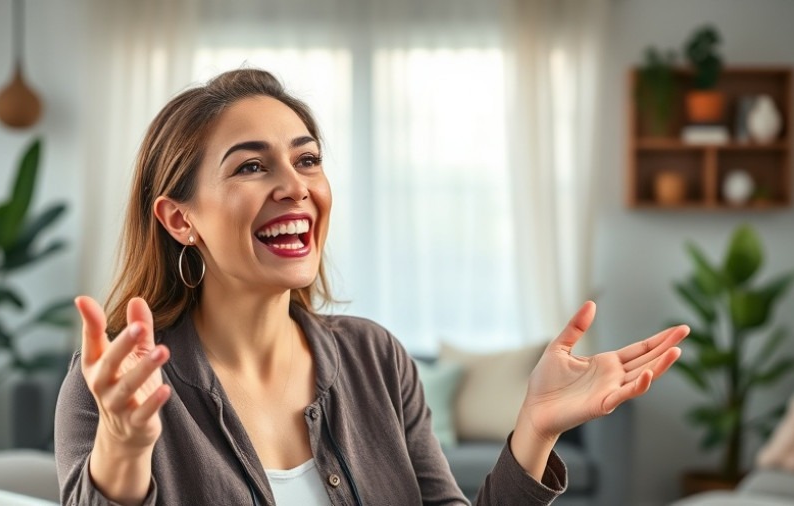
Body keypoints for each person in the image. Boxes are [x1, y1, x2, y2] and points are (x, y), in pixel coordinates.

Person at [54, 68, 688, 506]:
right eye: (251, 166)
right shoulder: (113, 389)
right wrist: (124, 449)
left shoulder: (376, 358)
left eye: (307, 159)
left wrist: (536, 428)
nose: (295, 186)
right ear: (179, 219)